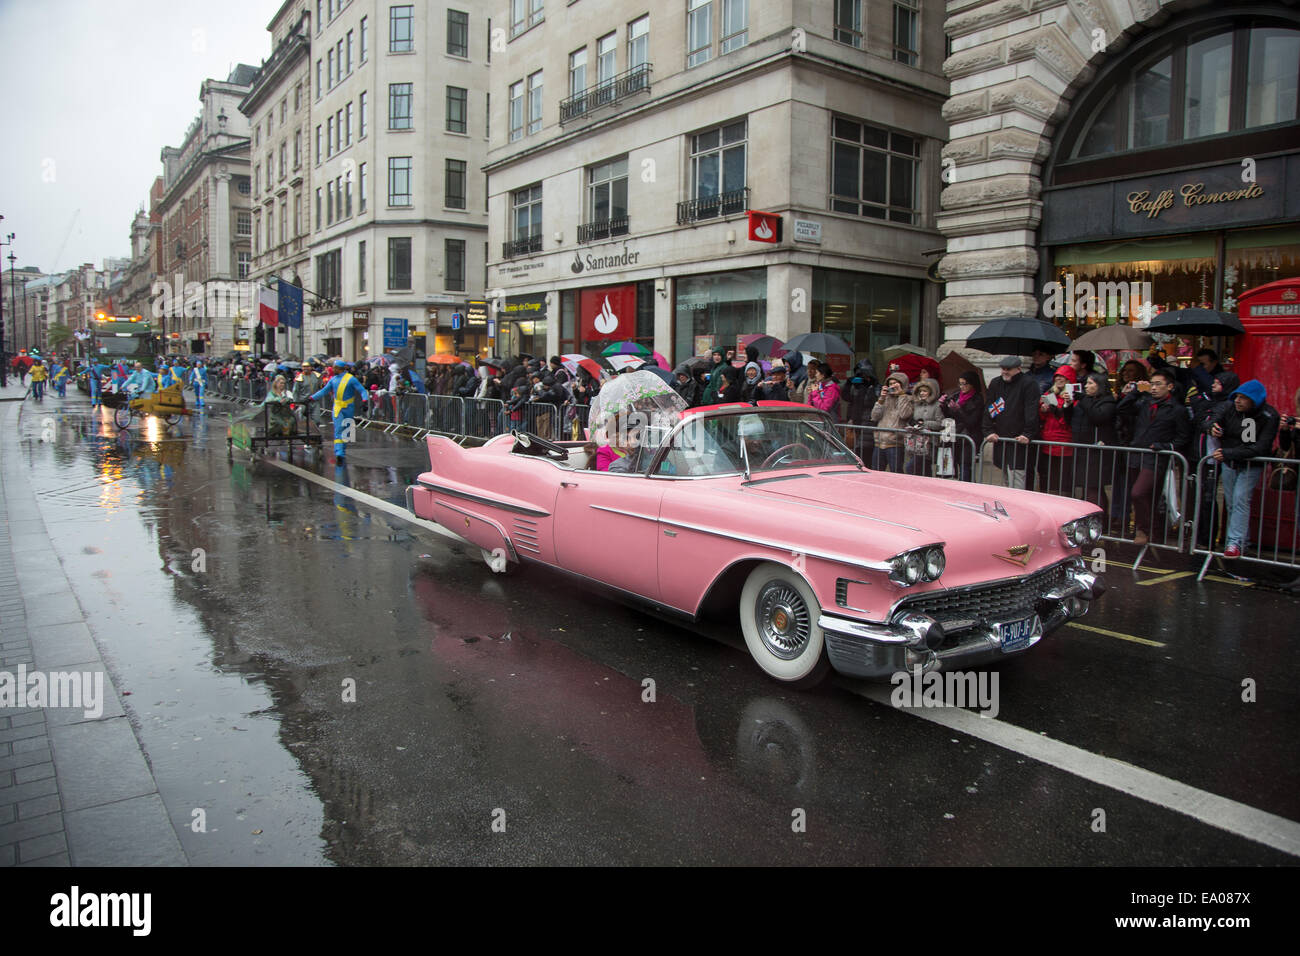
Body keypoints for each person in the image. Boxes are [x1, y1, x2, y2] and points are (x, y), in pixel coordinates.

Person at [1117, 368, 1190, 546]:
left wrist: (1164, 447)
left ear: (1170, 386)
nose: (1154, 388)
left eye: (1159, 384)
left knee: (1139, 492)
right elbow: (1122, 408)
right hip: (1137, 453)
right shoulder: (1144, 403)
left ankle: (1144, 528)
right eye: (1153, 384)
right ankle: (1153, 532)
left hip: (1156, 457)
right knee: (1143, 496)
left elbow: (1183, 437)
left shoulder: (1177, 409)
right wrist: (1136, 392)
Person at [1207, 379, 1280, 558]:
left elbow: (1262, 447)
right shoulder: (1228, 407)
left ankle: (1234, 543)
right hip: (1229, 461)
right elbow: (1209, 420)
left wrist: (1229, 453)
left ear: (1254, 400)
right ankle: (1242, 541)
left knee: (1240, 500)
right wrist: (1211, 428)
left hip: (1250, 464)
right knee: (1232, 502)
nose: (1238, 401)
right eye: (1237, 396)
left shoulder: (1269, 415)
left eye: (1243, 398)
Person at [982, 355, 1041, 489]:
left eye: (1008, 369)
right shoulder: (996, 383)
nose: (1004, 372)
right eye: (1003, 369)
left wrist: (1028, 434)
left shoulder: (1028, 384)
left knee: (1018, 480)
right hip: (1002, 439)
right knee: (1006, 479)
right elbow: (990, 408)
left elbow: (1031, 411)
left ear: (1018, 369)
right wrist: (988, 430)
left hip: (1019, 441)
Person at [1071, 372, 1118, 516]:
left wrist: (1084, 399)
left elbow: (1097, 417)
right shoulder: (1087, 401)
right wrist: (1067, 406)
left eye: (1091, 383)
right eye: (1086, 383)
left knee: (1094, 487)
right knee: (1088, 487)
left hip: (1098, 451)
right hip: (1084, 449)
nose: (1086, 386)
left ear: (1100, 385)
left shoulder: (1108, 402)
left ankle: (1098, 520)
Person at [311, 360, 367, 460]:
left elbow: (362, 390)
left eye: (334, 367)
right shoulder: (333, 380)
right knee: (338, 429)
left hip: (349, 407)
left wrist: (365, 401)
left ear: (339, 368)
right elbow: (324, 391)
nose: (332, 369)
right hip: (337, 407)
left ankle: (343, 449)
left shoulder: (351, 379)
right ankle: (339, 452)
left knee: (347, 431)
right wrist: (311, 398)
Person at [1035, 366, 1077, 495]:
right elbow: (1043, 417)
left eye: (1062, 377)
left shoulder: (1072, 397)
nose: (1058, 379)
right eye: (1056, 377)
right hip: (1047, 442)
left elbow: (1066, 420)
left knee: (1063, 479)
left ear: (1069, 379)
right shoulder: (1049, 394)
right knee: (1046, 477)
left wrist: (1056, 407)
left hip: (1064, 443)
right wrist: (1042, 410)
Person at [939, 370, 984, 483]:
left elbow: (972, 421)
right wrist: (943, 406)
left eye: (965, 384)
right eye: (960, 383)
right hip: (955, 435)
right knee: (952, 465)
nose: (962, 387)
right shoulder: (956, 395)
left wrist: (959, 410)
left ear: (972, 384)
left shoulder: (977, 399)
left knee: (965, 466)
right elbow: (948, 416)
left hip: (969, 436)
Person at [871, 371, 913, 473]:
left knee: (896, 473)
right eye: (890, 384)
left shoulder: (908, 398)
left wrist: (901, 395)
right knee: (876, 472)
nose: (892, 386)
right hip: (879, 442)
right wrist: (881, 399)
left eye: (895, 383)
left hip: (895, 443)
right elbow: (874, 416)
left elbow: (905, 414)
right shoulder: (885, 398)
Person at [904, 379, 945, 476]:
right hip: (915, 442)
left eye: (925, 391)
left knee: (911, 467)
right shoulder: (917, 404)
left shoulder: (937, 405)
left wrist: (924, 424)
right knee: (924, 470)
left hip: (929, 443)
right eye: (920, 391)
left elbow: (940, 423)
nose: (922, 393)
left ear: (931, 392)